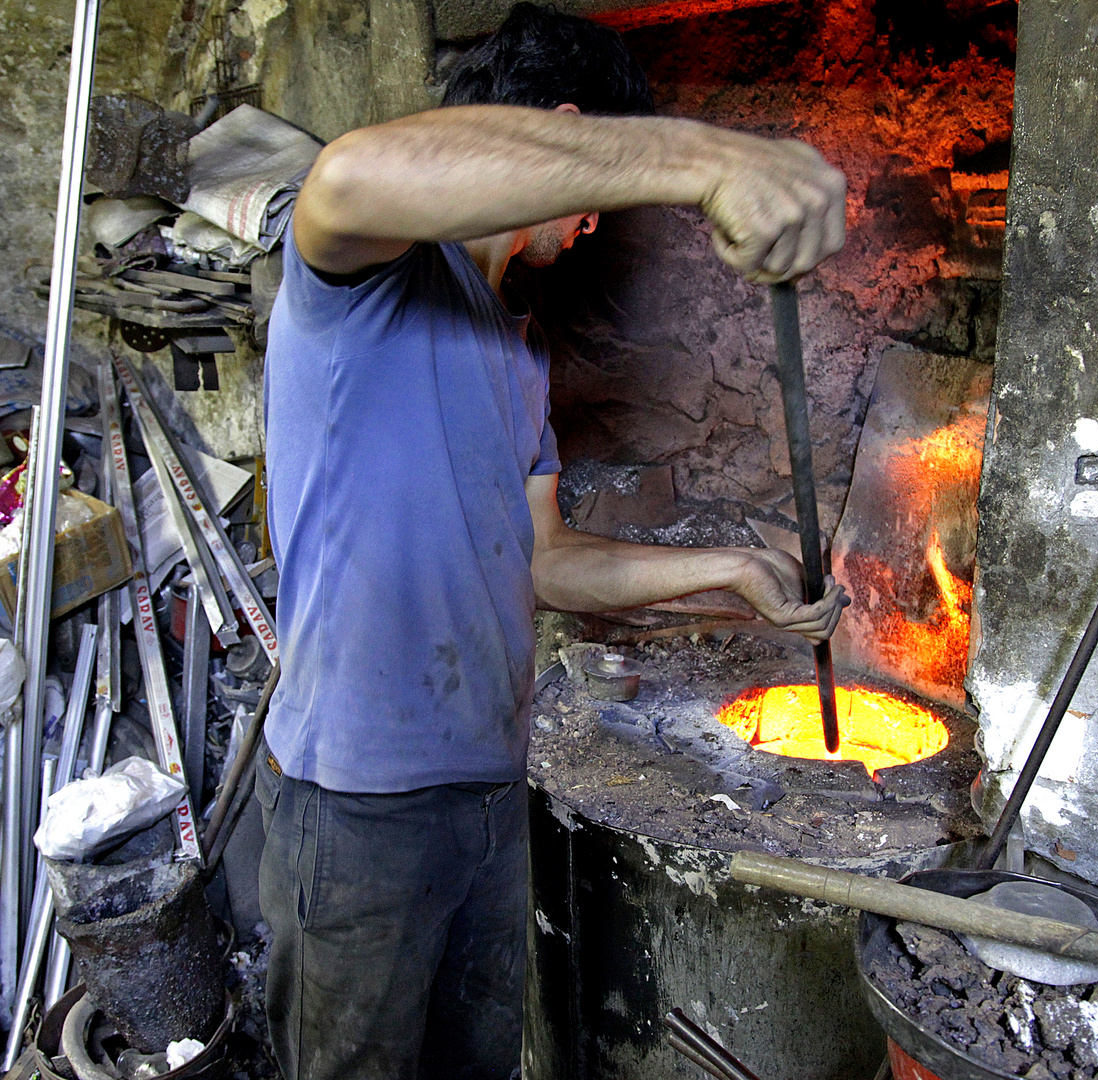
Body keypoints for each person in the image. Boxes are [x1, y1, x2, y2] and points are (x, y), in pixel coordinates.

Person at [257, 5, 849, 1078]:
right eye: (591, 205)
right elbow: (343, 177)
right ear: (567, 135)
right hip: (357, 807)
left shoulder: (517, 354)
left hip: (487, 791)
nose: (584, 232)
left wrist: (729, 572)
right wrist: (710, 158)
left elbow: (543, 563)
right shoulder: (365, 286)